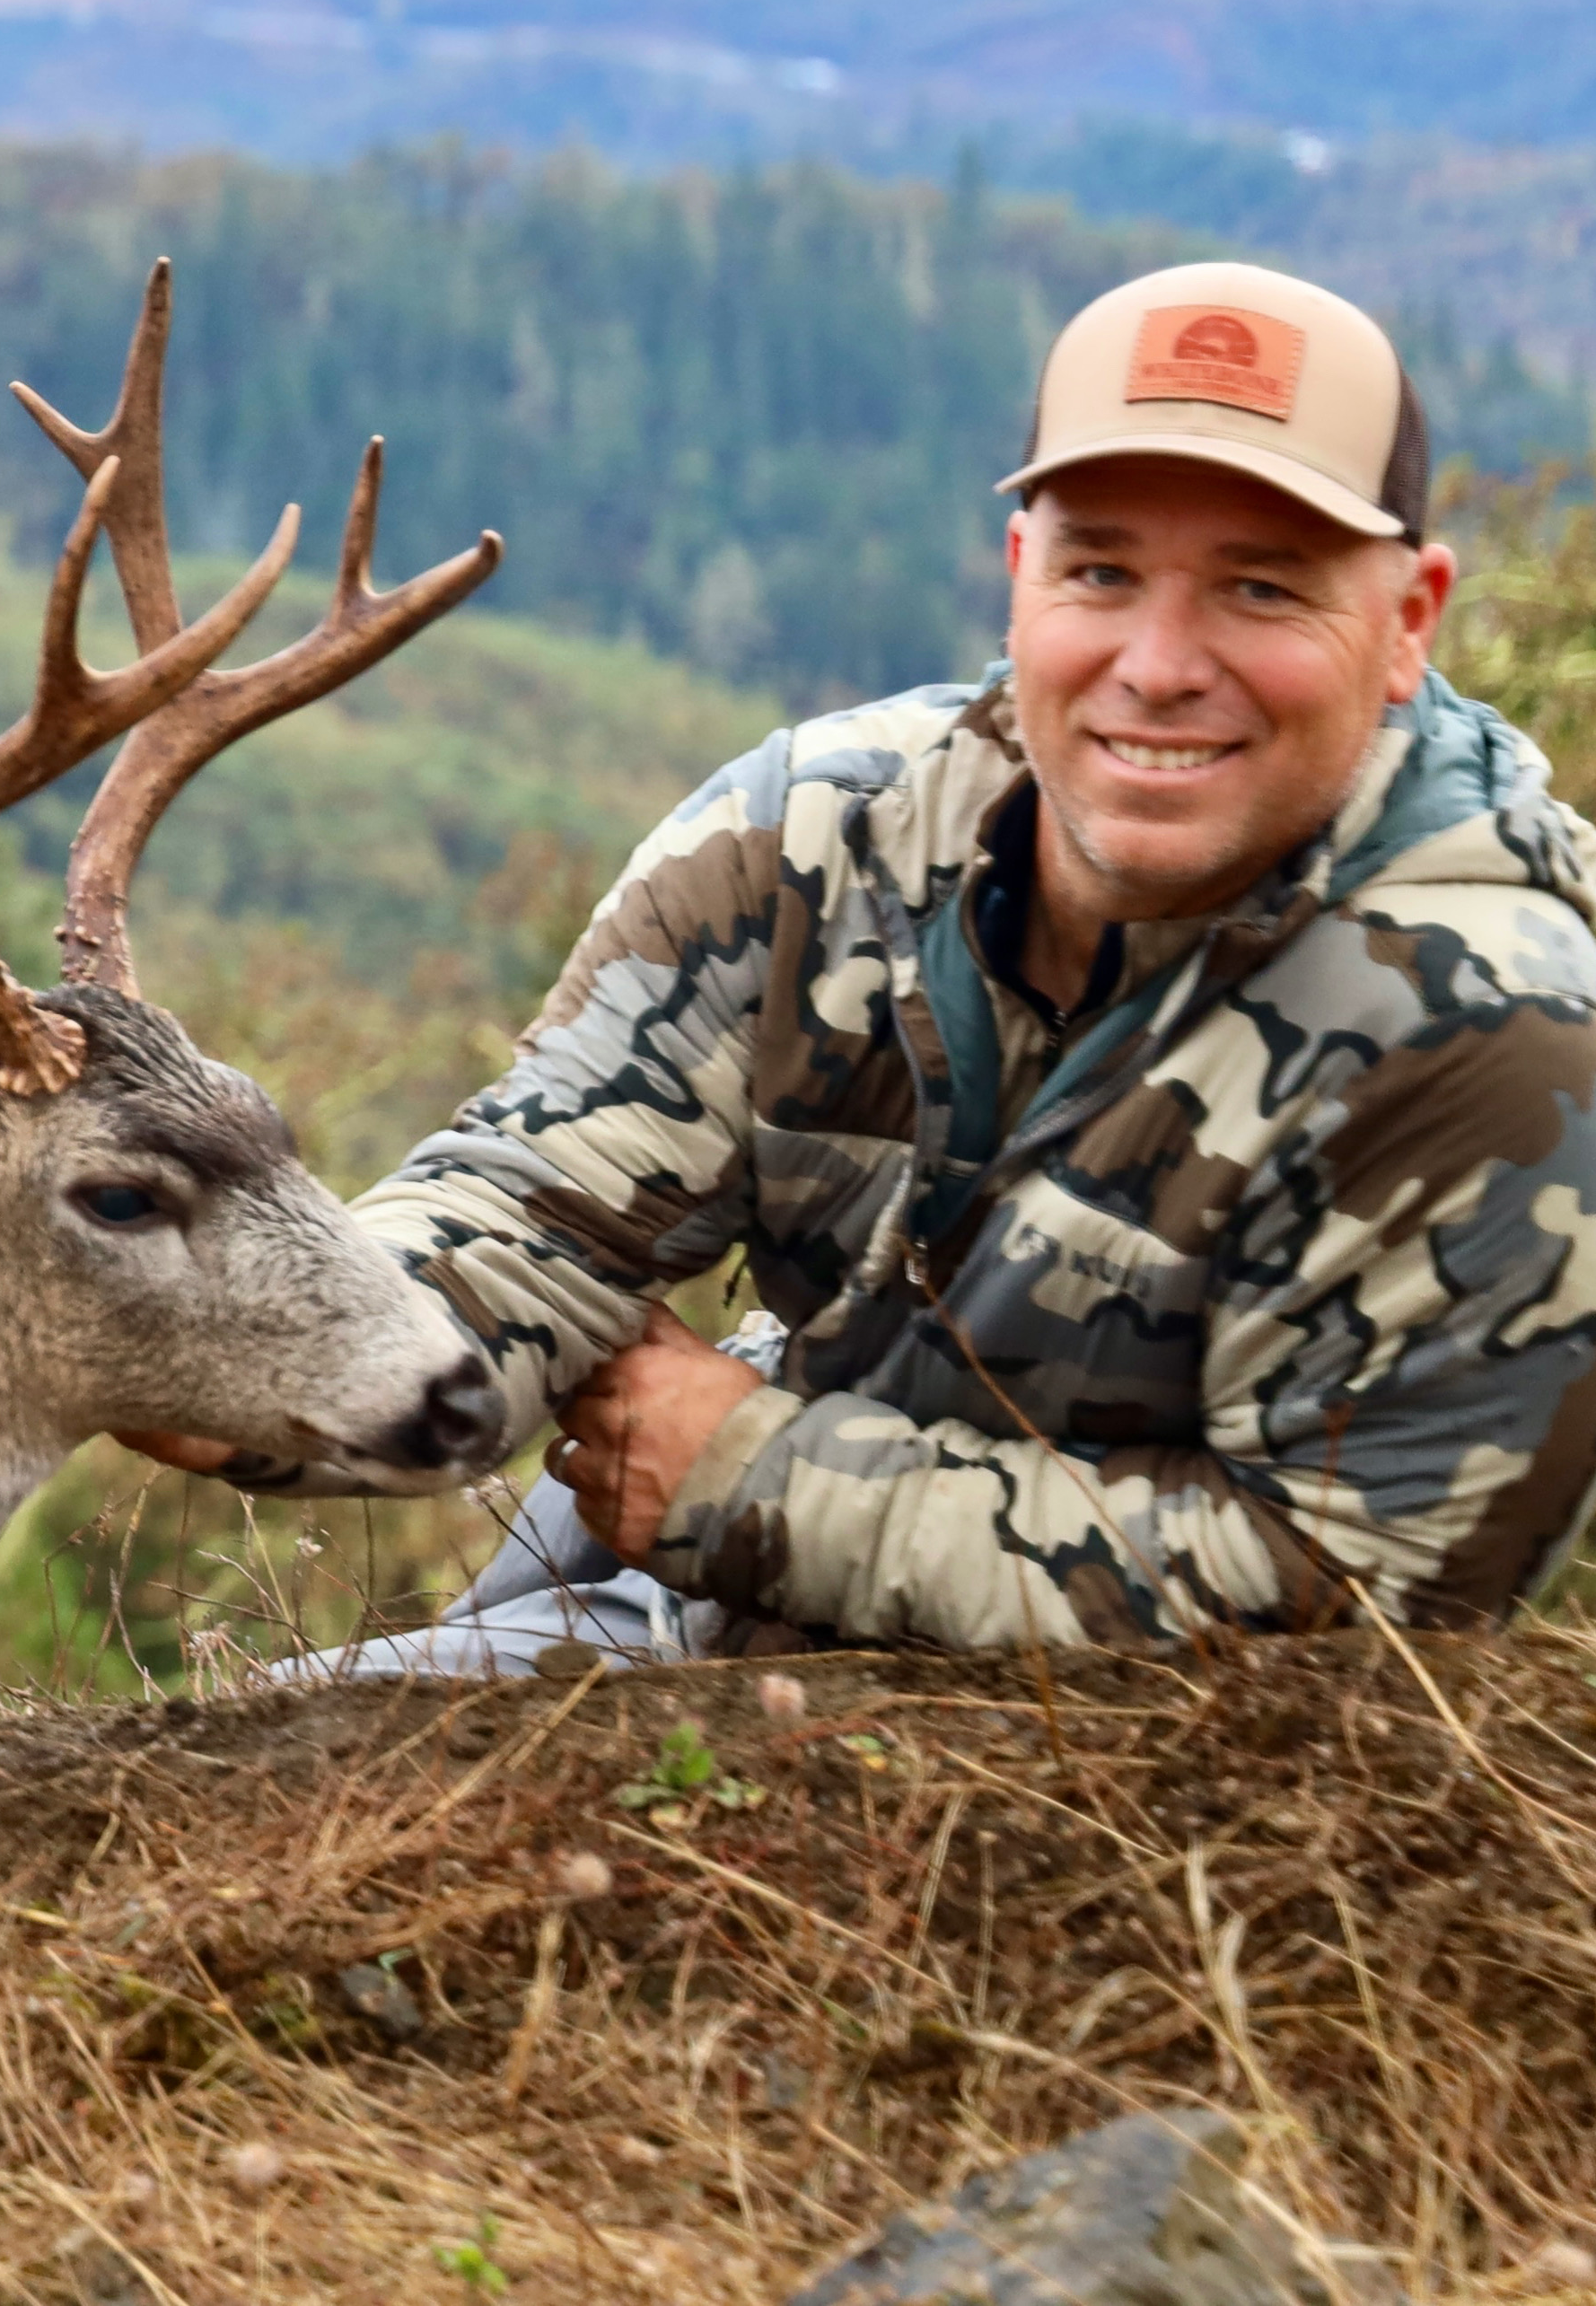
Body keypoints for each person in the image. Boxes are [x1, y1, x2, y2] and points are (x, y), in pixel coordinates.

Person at [345, 261, 1596, 1667]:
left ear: (1407, 623)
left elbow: (1347, 1607)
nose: (1159, 662)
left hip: (1077, 1759)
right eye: (1101, 571)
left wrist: (750, 1484)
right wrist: (255, 1333)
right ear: (1019, 575)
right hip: (713, 1590)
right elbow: (534, 1210)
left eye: (1259, 588)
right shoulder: (822, 829)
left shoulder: (1498, 1035)